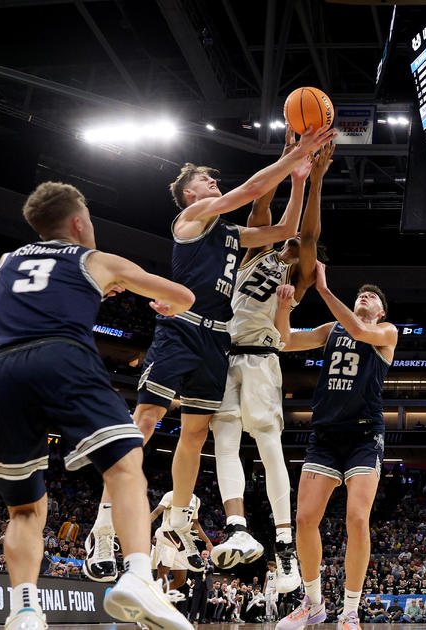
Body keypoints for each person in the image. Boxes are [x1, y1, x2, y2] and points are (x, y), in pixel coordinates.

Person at [85, 125, 336, 581]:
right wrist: (296, 153)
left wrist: (299, 181)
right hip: (181, 330)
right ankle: (104, 523)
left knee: (197, 435)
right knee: (145, 421)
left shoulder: (230, 235)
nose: (214, 184)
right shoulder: (194, 218)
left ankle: (179, 518)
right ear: (188, 192)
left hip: (216, 340)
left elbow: (284, 229)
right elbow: (252, 190)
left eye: (214, 182)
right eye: (206, 180)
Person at [0, 181, 194, 630]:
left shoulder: (5, 262)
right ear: (79, 223)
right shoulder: (95, 259)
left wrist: (94, 289)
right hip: (61, 356)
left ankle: (23, 610)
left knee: (24, 509)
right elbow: (183, 297)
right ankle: (137, 574)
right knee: (125, 460)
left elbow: (35, 294)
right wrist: (123, 286)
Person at [210, 141, 335, 587]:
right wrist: (289, 161)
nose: (308, 252)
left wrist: (316, 181)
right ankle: (237, 529)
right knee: (222, 441)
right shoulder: (253, 252)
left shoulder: (296, 278)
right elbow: (261, 198)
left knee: (268, 446)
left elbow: (310, 236)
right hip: (223, 354)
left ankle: (284, 548)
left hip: (262, 358)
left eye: (313, 256)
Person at [275, 262, 396, 630]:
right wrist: (283, 306)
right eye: (362, 292)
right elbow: (285, 341)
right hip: (325, 435)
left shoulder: (386, 332)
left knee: (357, 518)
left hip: (363, 435)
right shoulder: (331, 330)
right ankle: (313, 604)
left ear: (381, 311)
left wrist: (324, 289)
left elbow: (359, 329)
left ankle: (350, 611)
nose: (365, 295)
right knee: (304, 519)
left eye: (372, 296)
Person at [149, 491, 212, 602]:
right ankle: (156, 603)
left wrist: (207, 541)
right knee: (162, 577)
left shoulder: (196, 500)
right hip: (167, 537)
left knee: (181, 580)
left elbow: (195, 523)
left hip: (183, 541)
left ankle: (152, 596)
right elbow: (156, 512)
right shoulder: (171, 494)